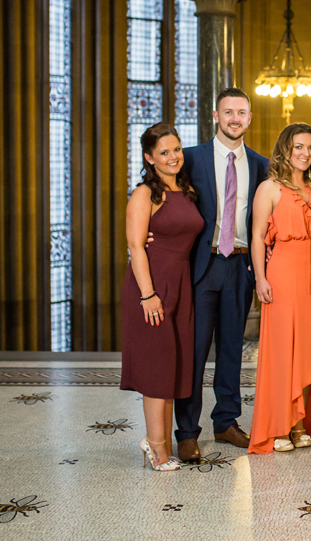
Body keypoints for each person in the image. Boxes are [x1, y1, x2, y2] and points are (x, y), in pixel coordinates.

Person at [173, 88, 270, 462]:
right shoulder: (192, 159)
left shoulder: (260, 165)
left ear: (249, 118)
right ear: (215, 116)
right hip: (203, 265)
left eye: (241, 113)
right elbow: (160, 189)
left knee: (232, 348)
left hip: (241, 265)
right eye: (228, 112)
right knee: (195, 352)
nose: (234, 118)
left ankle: (226, 421)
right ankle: (187, 431)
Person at [121, 123, 203, 471]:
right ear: (149, 157)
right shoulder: (144, 194)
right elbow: (136, 246)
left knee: (171, 368)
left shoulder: (186, 189)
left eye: (177, 149)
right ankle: (158, 449)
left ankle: (157, 441)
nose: (173, 157)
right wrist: (148, 295)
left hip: (181, 285)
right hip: (152, 287)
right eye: (164, 152)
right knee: (157, 370)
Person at [248, 123, 311, 454]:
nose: (305, 153)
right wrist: (260, 278)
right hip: (282, 273)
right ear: (285, 149)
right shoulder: (268, 189)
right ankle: (282, 424)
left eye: (310, 148)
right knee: (284, 351)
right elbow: (257, 237)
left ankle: (302, 423)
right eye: (298, 147)